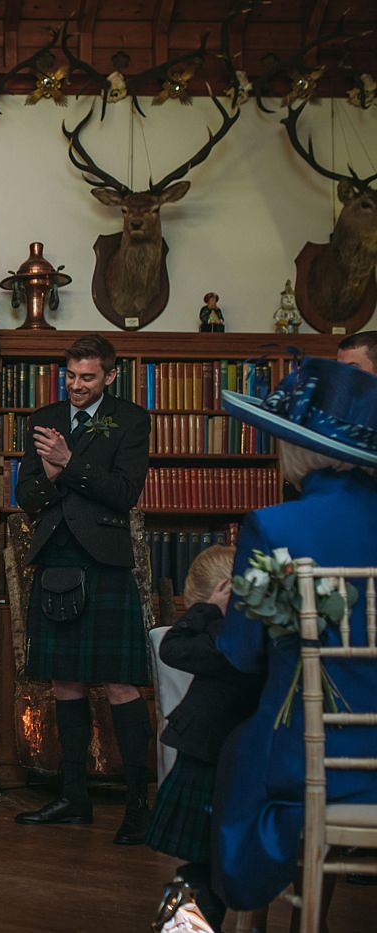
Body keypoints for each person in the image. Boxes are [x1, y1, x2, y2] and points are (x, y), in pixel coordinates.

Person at [211, 357, 377, 912]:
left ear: (295, 445)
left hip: (311, 762)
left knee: (227, 747)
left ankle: (223, 904)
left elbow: (241, 652)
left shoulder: (276, 527)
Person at [14, 334, 155, 845]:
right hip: (56, 559)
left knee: (119, 683)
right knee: (63, 682)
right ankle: (74, 798)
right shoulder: (43, 417)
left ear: (110, 376)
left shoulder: (133, 419)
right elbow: (27, 494)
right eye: (70, 376)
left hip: (106, 563)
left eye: (87, 377)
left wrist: (68, 464)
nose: (75, 386)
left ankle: (138, 805)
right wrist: (53, 475)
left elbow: (123, 493)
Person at [144, 545, 262, 931]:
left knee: (207, 865)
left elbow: (172, 644)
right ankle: (179, 927)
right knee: (205, 865)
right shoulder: (238, 635)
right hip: (214, 758)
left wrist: (208, 608)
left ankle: (179, 929)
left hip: (213, 763)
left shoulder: (231, 640)